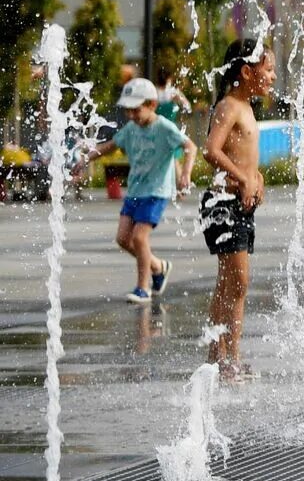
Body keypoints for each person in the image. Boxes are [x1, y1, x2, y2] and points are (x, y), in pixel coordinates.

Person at [80, 77, 196, 304]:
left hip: (156, 191)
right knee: (123, 239)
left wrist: (185, 174)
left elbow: (190, 146)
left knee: (139, 238)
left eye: (136, 110)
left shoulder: (164, 127)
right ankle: (158, 267)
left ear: (151, 104)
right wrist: (87, 158)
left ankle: (143, 288)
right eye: (128, 111)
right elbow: (111, 146)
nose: (131, 116)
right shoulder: (132, 128)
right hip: (135, 190)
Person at [202, 37, 274, 383]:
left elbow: (242, 155)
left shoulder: (246, 108)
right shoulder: (229, 106)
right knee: (238, 283)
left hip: (238, 206)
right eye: (268, 69)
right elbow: (211, 151)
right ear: (247, 71)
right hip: (222, 204)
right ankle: (228, 359)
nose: (273, 76)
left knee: (229, 284)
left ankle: (218, 357)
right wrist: (242, 178)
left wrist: (255, 178)